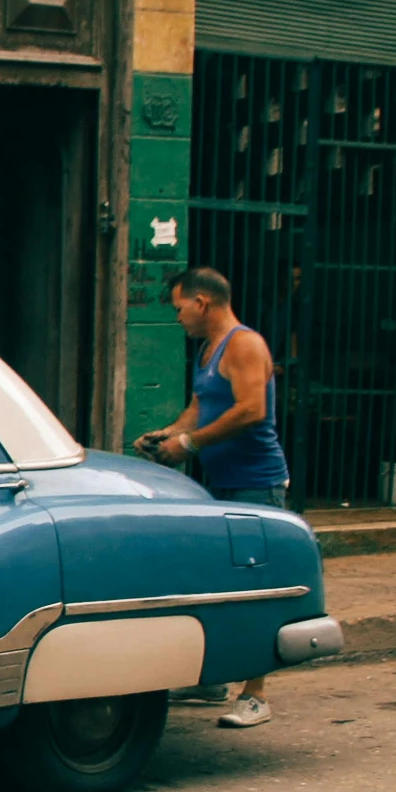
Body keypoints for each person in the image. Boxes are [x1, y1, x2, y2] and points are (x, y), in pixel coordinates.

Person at [137, 266, 290, 730]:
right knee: (217, 582)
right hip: (222, 483)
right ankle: (212, 681)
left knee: (255, 587)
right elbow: (201, 407)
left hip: (255, 483)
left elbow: (251, 409)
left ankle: (256, 695)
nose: (178, 317)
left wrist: (190, 445)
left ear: (202, 302)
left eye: (180, 307)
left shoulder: (245, 344)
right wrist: (170, 433)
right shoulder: (209, 350)